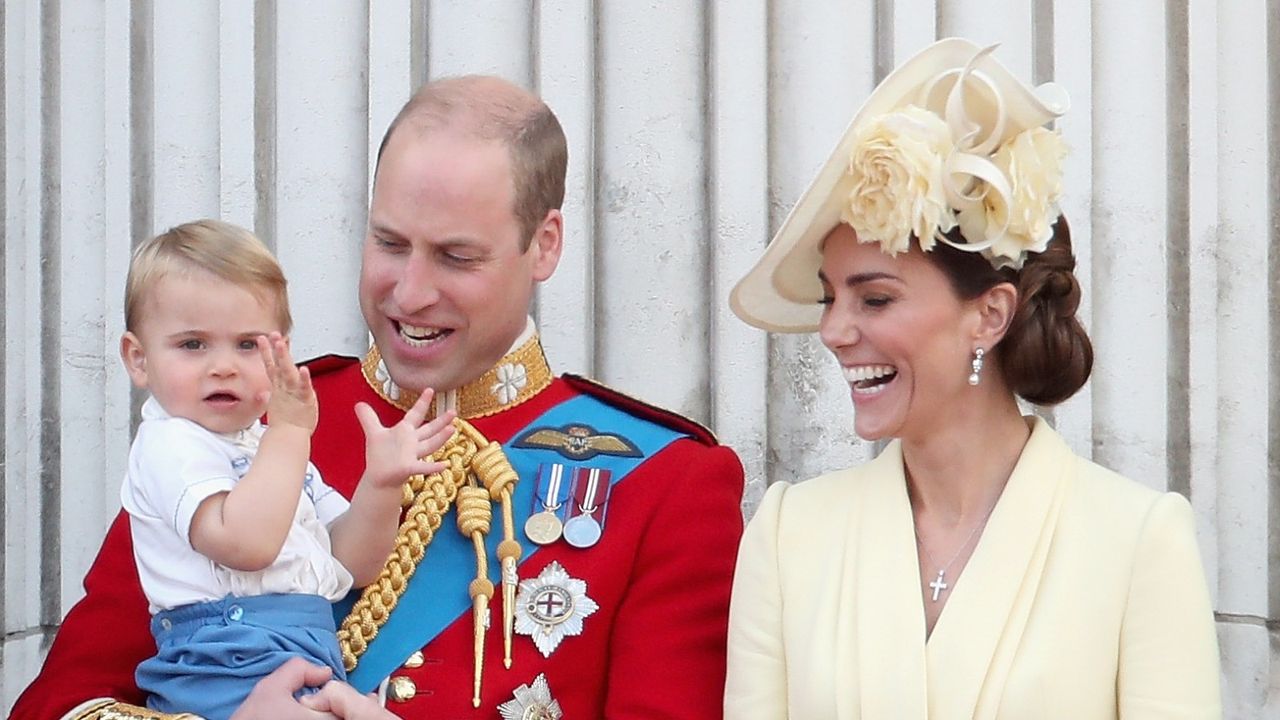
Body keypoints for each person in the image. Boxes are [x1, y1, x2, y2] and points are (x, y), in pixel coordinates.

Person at [13, 75, 745, 720]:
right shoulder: (246, 424)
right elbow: (58, 706)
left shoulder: (666, 484)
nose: (411, 292)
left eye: (457, 257)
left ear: (545, 245)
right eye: (389, 244)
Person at [723, 38, 1221, 719]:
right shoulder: (788, 535)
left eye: (873, 299)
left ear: (989, 314)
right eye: (827, 298)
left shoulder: (1138, 540)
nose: (835, 331)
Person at [112, 220, 455, 719]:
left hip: (297, 651)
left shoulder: (264, 447)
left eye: (248, 345)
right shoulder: (170, 441)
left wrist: (381, 483)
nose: (223, 365)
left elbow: (354, 563)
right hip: (223, 661)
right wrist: (290, 433)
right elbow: (246, 543)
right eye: (193, 344)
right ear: (139, 360)